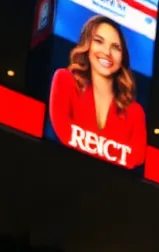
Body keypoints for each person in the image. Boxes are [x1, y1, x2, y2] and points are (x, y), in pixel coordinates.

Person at [47, 14, 147, 169]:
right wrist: (111, 151)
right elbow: (63, 132)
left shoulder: (135, 112)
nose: (107, 52)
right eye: (99, 41)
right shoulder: (65, 80)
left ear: (122, 57)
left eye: (115, 47)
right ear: (87, 45)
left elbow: (137, 157)